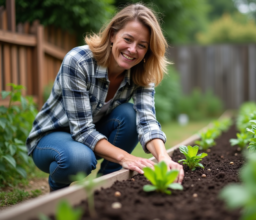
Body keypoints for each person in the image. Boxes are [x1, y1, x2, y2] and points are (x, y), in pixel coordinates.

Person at [26, 3, 184, 192]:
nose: (133, 49)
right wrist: (126, 156)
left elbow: (147, 121)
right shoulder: (79, 61)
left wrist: (163, 156)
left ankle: (108, 186)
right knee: (80, 158)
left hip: (92, 135)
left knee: (130, 114)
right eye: (128, 39)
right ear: (112, 35)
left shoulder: (142, 73)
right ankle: (57, 188)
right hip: (52, 138)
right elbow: (82, 130)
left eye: (142, 45)